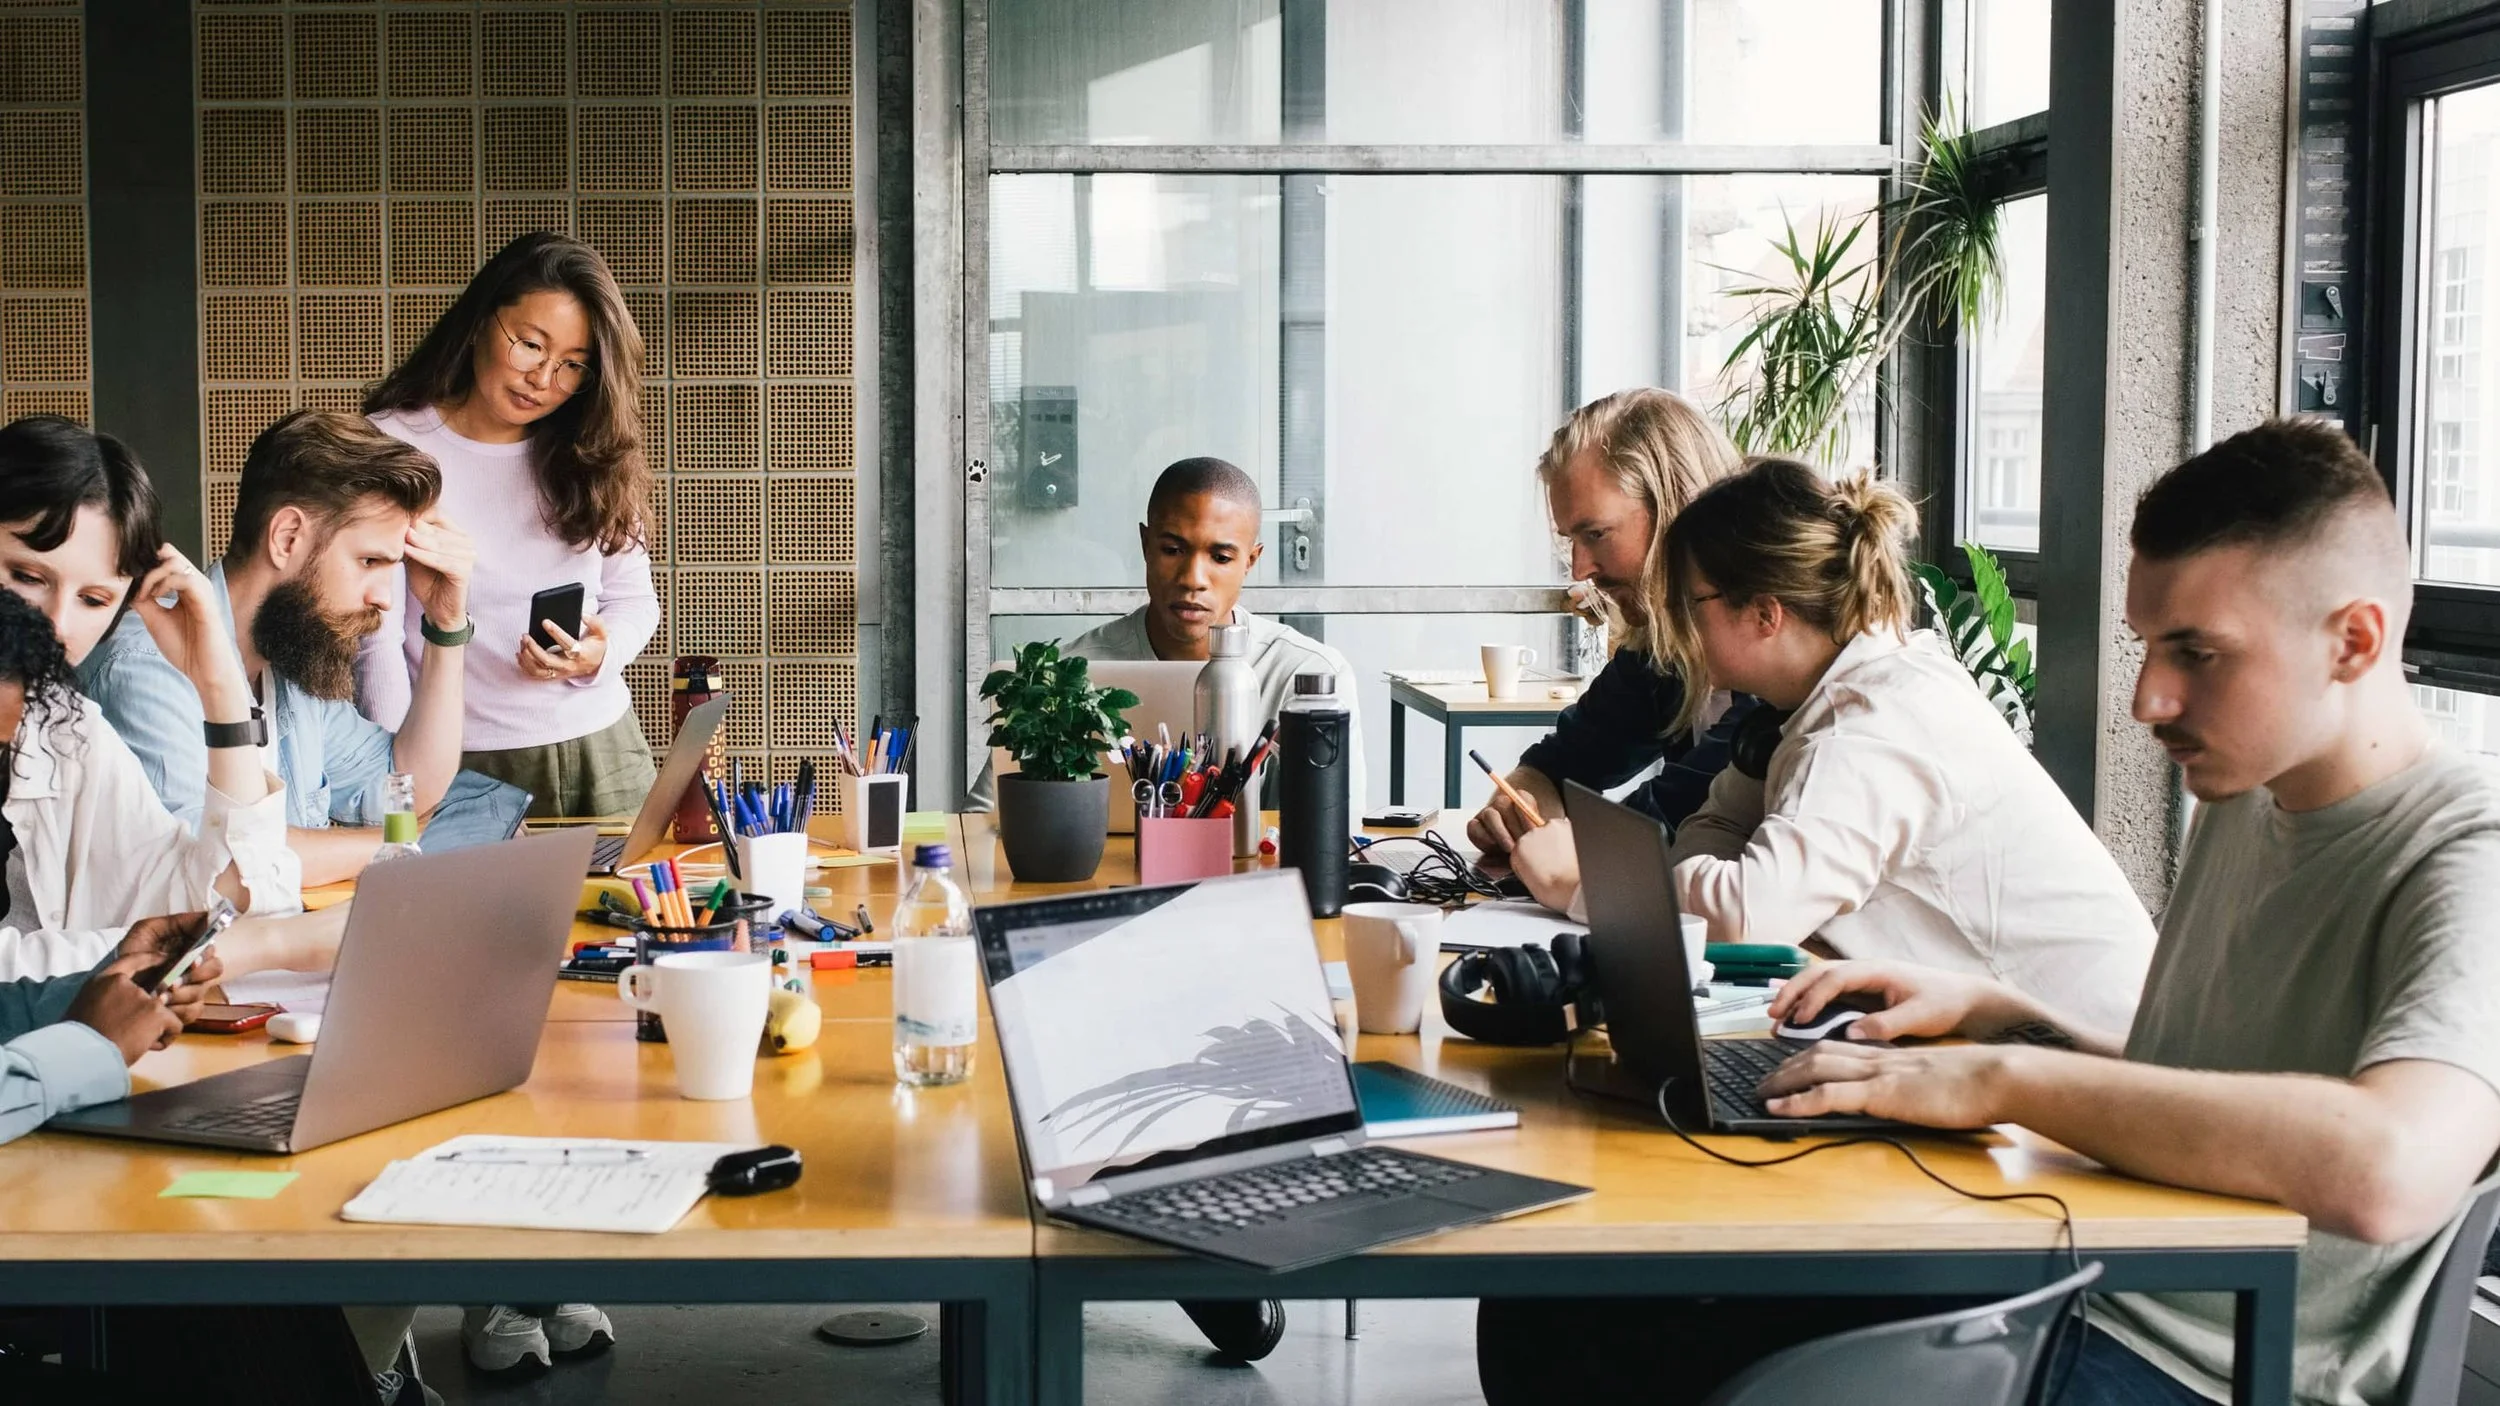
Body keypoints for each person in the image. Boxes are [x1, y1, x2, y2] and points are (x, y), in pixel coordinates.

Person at [1484, 418, 2500, 1406]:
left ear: (2355, 640)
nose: (2149, 698)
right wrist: (1989, 1011)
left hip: (2202, 1353)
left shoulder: (2468, 851)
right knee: (1555, 1326)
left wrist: (2001, 1073)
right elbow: (2190, 1090)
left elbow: (2391, 1168)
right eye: (2147, 646)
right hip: (2080, 1265)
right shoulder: (2255, 797)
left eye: (2196, 651)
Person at [1640, 458, 2155, 1032]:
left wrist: (1601, 888)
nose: (1676, 625)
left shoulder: (1866, 728)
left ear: (1764, 613)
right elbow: (1713, 832)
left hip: (2088, 1072)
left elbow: (1745, 915)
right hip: (1998, 1050)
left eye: (1690, 604)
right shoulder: (1837, 692)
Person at [82, 412, 475, 886]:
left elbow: (404, 786)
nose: (385, 598)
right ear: (287, 538)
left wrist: (445, 625)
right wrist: (401, 842)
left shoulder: (293, 656)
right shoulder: (147, 665)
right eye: (369, 561)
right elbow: (215, 867)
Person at [359, 231, 660, 823]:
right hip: (461, 760)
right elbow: (378, 640)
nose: (544, 380)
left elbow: (633, 599)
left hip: (604, 748)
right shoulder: (392, 446)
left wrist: (597, 654)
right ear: (479, 322)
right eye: (529, 345)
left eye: (573, 365)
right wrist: (396, 779)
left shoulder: (592, 449)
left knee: (635, 915)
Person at [0, 418, 307, 978]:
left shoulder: (67, 732)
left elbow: (235, 905)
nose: (56, 624)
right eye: (26, 575)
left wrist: (218, 687)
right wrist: (151, 952)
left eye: (94, 599)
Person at [1464, 389, 1757, 913]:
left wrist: (1558, 856)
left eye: (1596, 533)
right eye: (1570, 540)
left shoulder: (1775, 675)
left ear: (1678, 507)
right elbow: (1557, 765)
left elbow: (1665, 827)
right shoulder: (1661, 651)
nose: (1580, 569)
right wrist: (1524, 811)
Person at [972, 455, 1365, 813]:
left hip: (1252, 888)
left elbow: (1334, 833)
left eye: (1221, 557)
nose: (1193, 579)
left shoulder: (1308, 677)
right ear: (1145, 545)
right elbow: (980, 822)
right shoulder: (1069, 679)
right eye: (1173, 550)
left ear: (1251, 561)